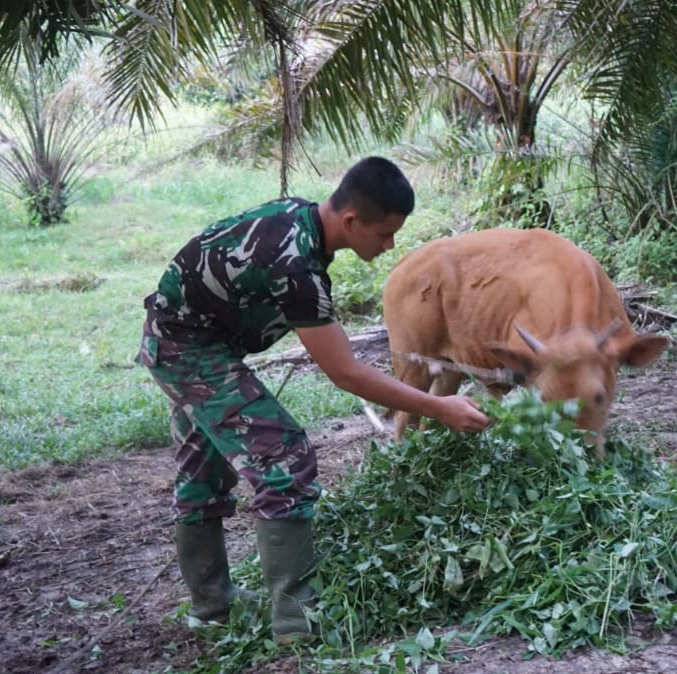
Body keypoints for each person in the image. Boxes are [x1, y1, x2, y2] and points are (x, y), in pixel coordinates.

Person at [136, 156, 491, 640]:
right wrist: (440, 407)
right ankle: (297, 621)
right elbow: (345, 371)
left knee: (206, 467)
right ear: (351, 221)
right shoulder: (297, 264)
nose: (390, 246)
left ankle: (212, 606)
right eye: (385, 234)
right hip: (185, 346)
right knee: (283, 454)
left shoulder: (302, 223)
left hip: (190, 339)